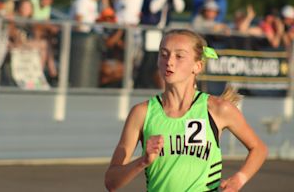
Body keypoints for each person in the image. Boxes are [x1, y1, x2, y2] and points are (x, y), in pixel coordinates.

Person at [105, 29, 268, 191]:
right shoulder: (142, 113)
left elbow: (258, 149)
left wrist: (239, 179)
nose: (169, 61)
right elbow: (111, 182)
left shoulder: (217, 109)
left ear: (197, 66)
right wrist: (143, 161)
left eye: (179, 56)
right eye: (164, 54)